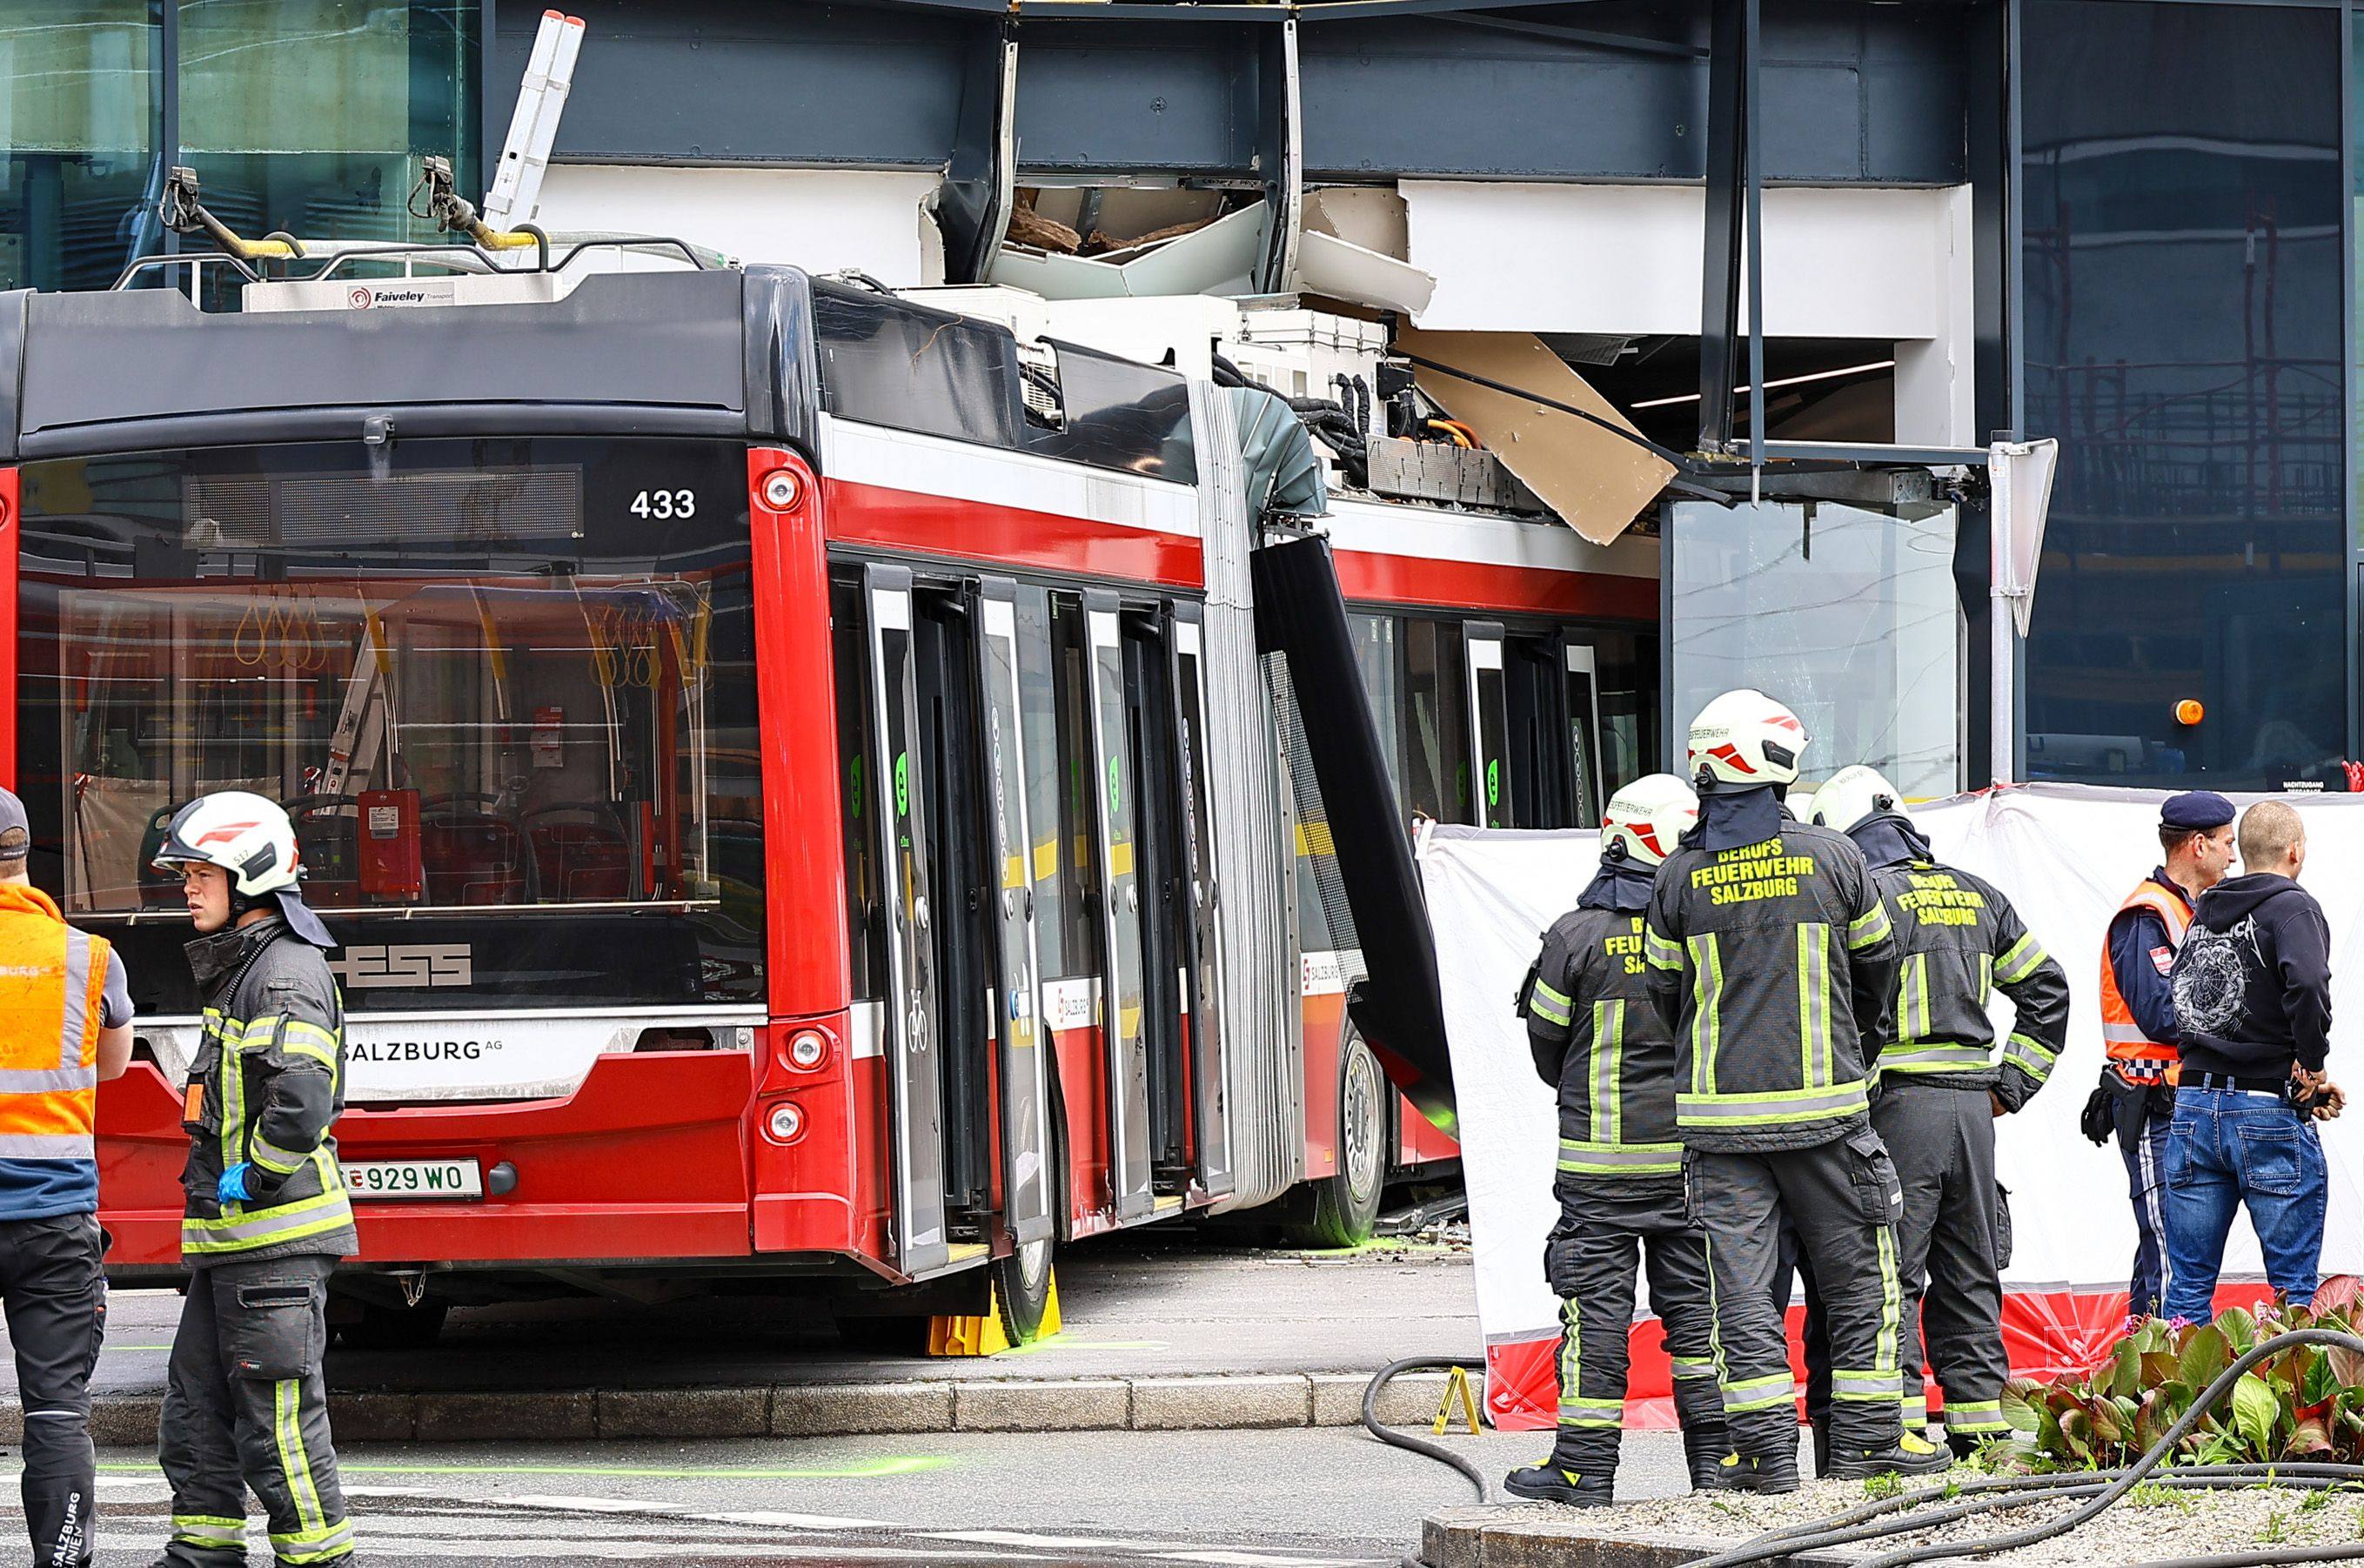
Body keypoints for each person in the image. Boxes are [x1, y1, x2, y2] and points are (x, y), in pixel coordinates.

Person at [1643, 690, 1947, 1493]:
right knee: (1860, 1289)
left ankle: (1769, 1461)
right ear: (1780, 766)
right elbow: (1878, 970)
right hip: (1829, 1122)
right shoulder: (1834, 860)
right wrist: (1853, 1049)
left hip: (1717, 1133)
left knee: (1741, 1302)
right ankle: (1861, 1453)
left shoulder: (1676, 878)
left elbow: (1662, 999)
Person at [1811, 766, 2070, 1457]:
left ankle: (1897, 1429)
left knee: (1890, 1267)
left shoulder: (1861, 903)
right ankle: (1980, 1427)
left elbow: (1839, 1016)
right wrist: (2006, 1087)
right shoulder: (1977, 895)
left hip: (1895, 1111)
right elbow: (2047, 991)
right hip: (1970, 1116)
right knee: (1970, 1265)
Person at [1506, 775, 1728, 1505]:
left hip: (1597, 1172)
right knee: (1699, 1322)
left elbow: (1546, 1049)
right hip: (1691, 1167)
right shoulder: (1702, 928)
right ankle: (1716, 1473)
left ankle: (1582, 1472)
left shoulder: (1574, 937)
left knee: (1594, 1320)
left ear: (1616, 838)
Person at [149, 792, 357, 1568]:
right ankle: (200, 1557)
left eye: (200, 872)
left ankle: (316, 1562)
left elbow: (300, 1102)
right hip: (231, 1248)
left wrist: (256, 1178)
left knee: (277, 1425)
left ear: (249, 874)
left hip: (273, 1242)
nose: (188, 887)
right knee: (196, 1418)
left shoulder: (282, 975)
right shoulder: (245, 969)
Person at [0, 786, 134, 1567]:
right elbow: (111, 1066)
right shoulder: (89, 956)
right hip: (53, 1224)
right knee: (56, 1413)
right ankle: (62, 1560)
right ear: (26, 853)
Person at [2160, 801, 2342, 1322]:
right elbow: (2307, 983)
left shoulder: (2203, 913)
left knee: (2189, 1285)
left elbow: (2184, 995)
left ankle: (2177, 1402)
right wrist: (2312, 1063)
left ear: (2244, 854)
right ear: (2295, 851)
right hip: (2267, 1114)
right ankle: (2285, 1400)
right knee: (2293, 1292)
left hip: (2194, 1108)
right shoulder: (2293, 908)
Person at [2079, 790, 2234, 1319]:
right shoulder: (2146, 916)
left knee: (2164, 1245)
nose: (2233, 857)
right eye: (2226, 844)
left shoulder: (2190, 911)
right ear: (2198, 845)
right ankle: (2178, 1387)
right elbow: (2162, 1015)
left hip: (2180, 1103)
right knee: (2173, 1246)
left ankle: (2141, 1380)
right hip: (2153, 1106)